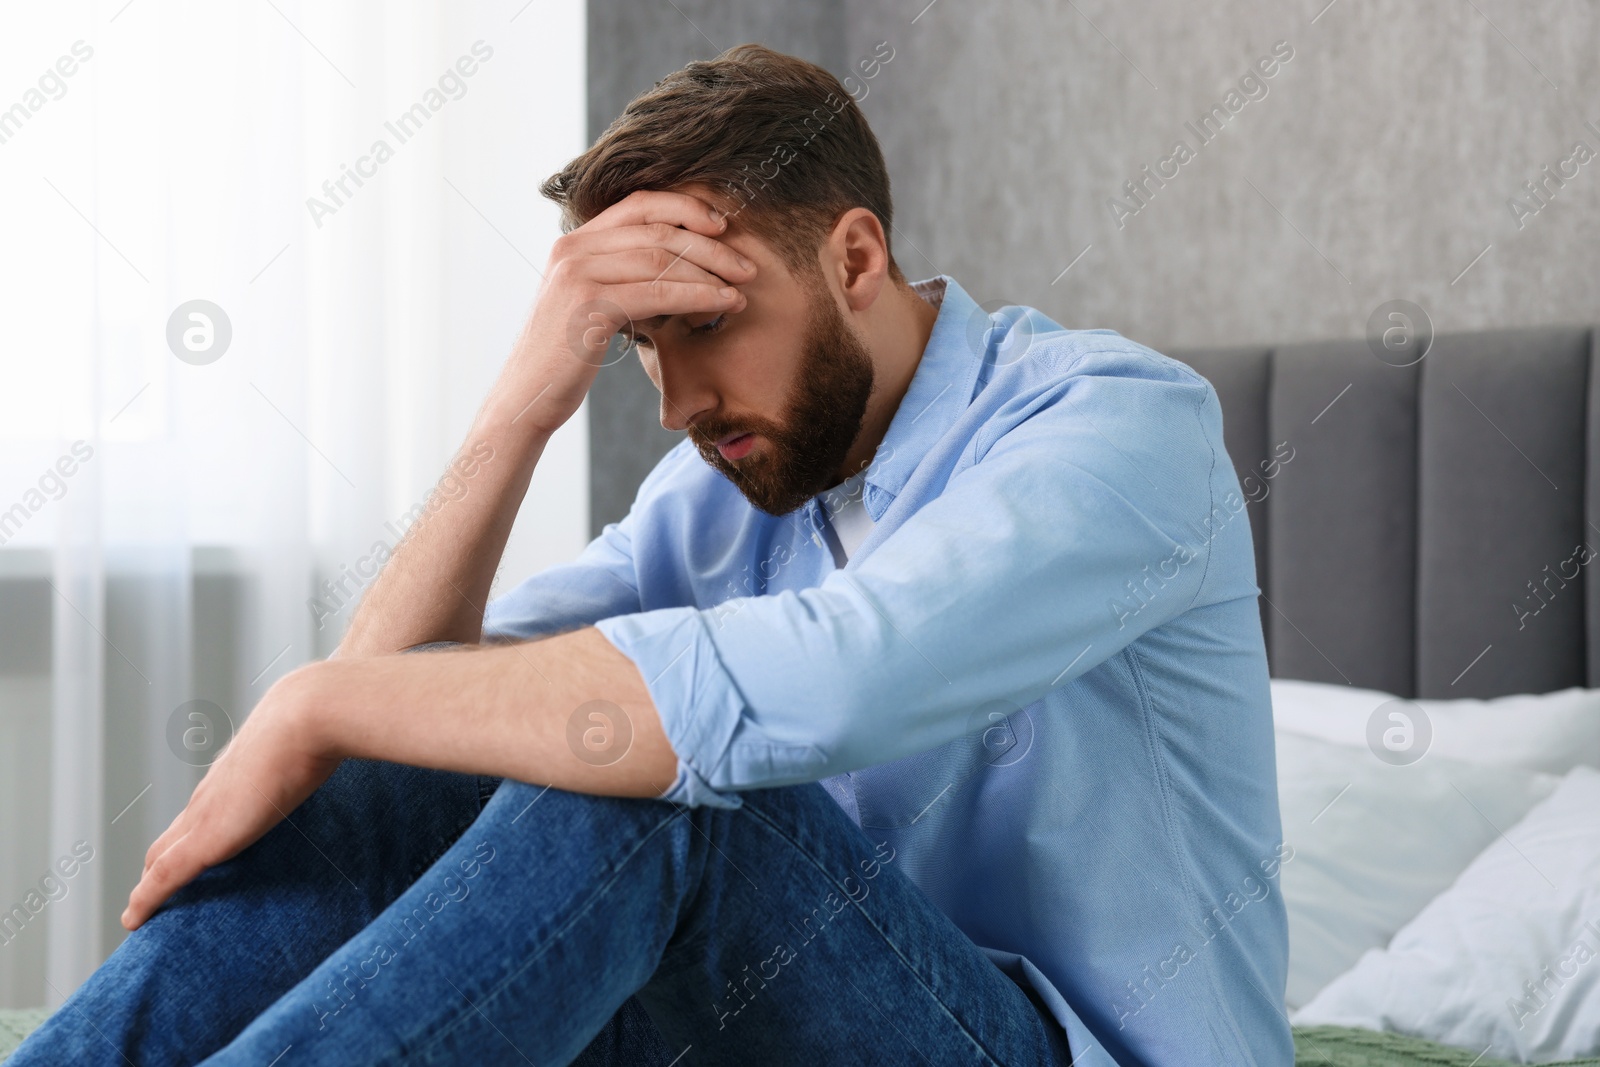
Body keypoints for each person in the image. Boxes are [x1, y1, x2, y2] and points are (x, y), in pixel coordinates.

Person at [10, 43, 1291, 1066]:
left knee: (658, 785)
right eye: (639, 345)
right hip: (782, 1013)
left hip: (1056, 1046)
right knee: (406, 789)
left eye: (703, 327)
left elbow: (827, 681)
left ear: (853, 257)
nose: (675, 404)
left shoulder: (1117, 426)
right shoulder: (720, 493)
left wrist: (312, 699)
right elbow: (402, 719)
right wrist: (524, 399)